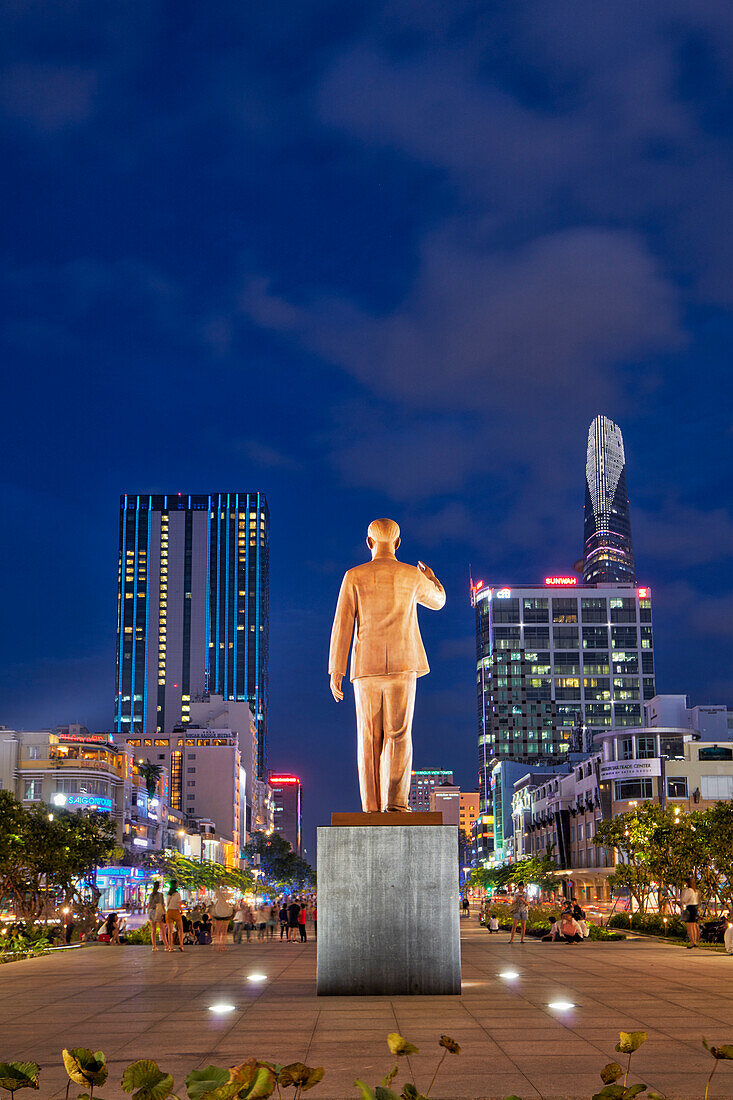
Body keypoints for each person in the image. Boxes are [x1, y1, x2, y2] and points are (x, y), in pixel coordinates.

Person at [329, 518, 446, 812]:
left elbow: (342, 624)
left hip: (365, 667)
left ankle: (370, 807)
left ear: (369, 542)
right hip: (403, 664)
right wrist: (432, 579)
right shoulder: (411, 575)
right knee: (399, 733)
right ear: (397, 543)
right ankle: (395, 804)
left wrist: (336, 670)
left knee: (369, 737)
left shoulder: (353, 576)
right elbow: (439, 601)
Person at [210, 888, 233, 953]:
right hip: (224, 910)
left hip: (221, 910)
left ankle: (218, 945)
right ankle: (221, 945)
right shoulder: (225, 892)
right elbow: (229, 896)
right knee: (222, 930)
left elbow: (216, 896)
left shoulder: (219, 891)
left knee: (219, 929)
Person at [147, 881, 168, 952]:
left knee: (153, 930)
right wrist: (164, 912)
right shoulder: (160, 895)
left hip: (151, 912)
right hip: (158, 912)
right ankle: (166, 945)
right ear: (158, 886)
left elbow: (149, 905)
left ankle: (154, 946)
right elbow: (162, 905)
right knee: (162, 929)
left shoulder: (151, 895)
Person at [165, 879, 185, 952]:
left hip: (169, 912)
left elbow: (167, 903)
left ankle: (170, 947)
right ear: (175, 885)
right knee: (180, 929)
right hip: (176, 912)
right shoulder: (177, 894)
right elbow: (179, 903)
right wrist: (181, 911)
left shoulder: (168, 894)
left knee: (170, 931)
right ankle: (181, 945)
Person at [681, 878, 700, 948]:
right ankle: (695, 941)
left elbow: (685, 899)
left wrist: (683, 900)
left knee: (690, 926)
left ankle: (692, 942)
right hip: (695, 907)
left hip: (690, 907)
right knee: (694, 925)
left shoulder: (689, 890)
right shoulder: (695, 891)